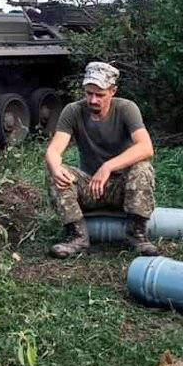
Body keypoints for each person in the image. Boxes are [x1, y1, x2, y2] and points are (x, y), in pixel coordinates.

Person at [44, 61, 159, 258]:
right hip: (91, 188)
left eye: (100, 94)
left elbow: (146, 147)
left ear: (113, 91)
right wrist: (55, 167)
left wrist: (108, 167)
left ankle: (136, 233)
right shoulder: (73, 111)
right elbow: (53, 151)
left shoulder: (126, 109)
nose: (93, 100)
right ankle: (78, 236)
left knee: (142, 168)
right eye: (89, 93)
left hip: (122, 189)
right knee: (57, 172)